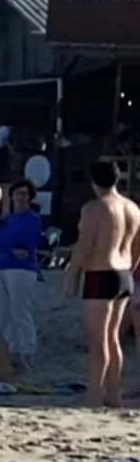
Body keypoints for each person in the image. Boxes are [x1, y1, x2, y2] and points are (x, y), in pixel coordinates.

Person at [66, 159, 140, 408]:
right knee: (113, 337)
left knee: (97, 340)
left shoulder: (94, 208)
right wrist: (131, 270)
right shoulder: (133, 208)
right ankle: (114, 393)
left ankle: (95, 394)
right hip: (124, 274)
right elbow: (137, 248)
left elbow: (84, 246)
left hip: (101, 274)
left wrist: (71, 276)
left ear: (93, 182)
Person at [0, 179, 44, 371]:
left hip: (22, 269)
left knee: (21, 312)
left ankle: (27, 352)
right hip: (2, 266)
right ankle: (11, 350)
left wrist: (9, 244)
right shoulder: (8, 219)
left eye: (25, 194)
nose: (21, 197)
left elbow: (25, 242)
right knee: (5, 312)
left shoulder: (33, 218)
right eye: (18, 193)